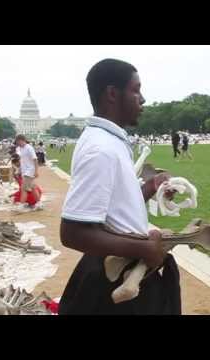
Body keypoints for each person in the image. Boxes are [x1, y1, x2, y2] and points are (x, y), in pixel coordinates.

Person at [58, 58, 180, 315]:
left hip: (118, 270)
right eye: (136, 89)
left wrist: (150, 188)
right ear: (113, 94)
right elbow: (72, 231)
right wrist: (143, 248)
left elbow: (114, 207)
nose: (143, 99)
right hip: (114, 279)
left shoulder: (109, 141)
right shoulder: (101, 149)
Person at [15, 134, 42, 210]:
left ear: (21, 140)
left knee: (24, 188)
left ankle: (21, 205)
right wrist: (19, 170)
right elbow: (22, 161)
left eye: (18, 142)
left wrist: (36, 171)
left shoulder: (29, 148)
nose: (17, 144)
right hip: (25, 171)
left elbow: (35, 159)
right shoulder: (21, 149)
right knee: (32, 187)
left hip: (29, 171)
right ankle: (39, 203)